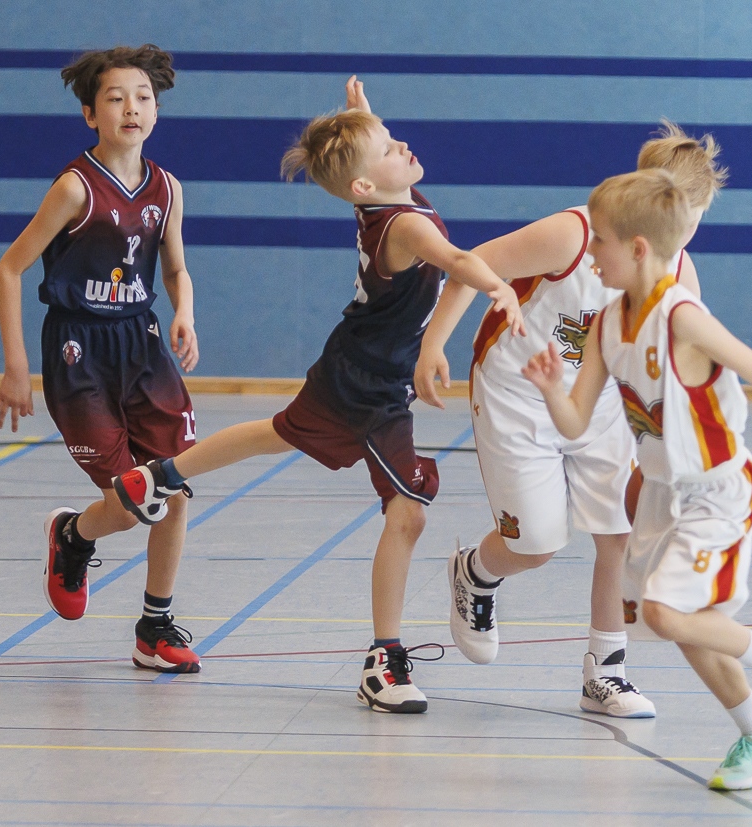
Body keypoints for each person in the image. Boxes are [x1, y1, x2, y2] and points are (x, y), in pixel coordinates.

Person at [111, 77, 527, 713]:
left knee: (276, 433)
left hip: (353, 365)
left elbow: (374, 174)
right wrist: (498, 287)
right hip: (368, 387)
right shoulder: (405, 226)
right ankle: (383, 662)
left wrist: (364, 120)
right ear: (364, 185)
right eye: (388, 148)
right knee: (409, 511)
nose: (402, 146)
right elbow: (457, 258)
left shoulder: (383, 202)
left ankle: (160, 476)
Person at [522, 169, 752, 790]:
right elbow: (576, 421)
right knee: (690, 627)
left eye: (600, 239)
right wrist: (554, 388)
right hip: (661, 494)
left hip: (718, 491)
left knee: (668, 613)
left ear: (638, 247)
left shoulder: (682, 318)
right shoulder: (605, 323)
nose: (590, 250)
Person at [413, 123, 724, 718]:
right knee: (535, 545)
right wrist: (433, 345)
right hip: (518, 390)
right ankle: (475, 571)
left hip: (600, 401)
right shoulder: (573, 235)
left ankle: (605, 674)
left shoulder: (679, 273)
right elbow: (474, 265)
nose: (689, 233)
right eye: (687, 217)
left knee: (619, 534)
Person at [0, 45, 203, 674]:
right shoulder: (73, 188)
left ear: (156, 109)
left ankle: (154, 627)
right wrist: (16, 365)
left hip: (143, 344)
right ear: (90, 114)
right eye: (115, 98)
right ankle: (73, 535)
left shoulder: (168, 188)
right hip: (78, 351)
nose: (131, 108)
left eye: (143, 97)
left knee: (174, 488)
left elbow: (175, 268)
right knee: (135, 504)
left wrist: (185, 312)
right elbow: (8, 269)